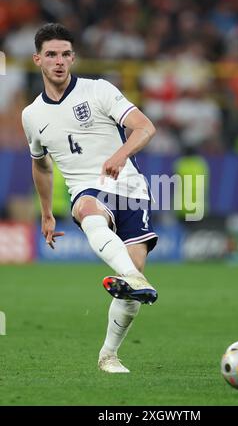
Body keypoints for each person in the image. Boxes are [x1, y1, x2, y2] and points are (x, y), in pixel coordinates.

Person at [22, 23, 158, 373]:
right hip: (86, 188)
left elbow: (145, 127)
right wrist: (46, 213)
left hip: (130, 190)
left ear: (73, 58)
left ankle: (108, 354)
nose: (59, 61)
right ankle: (133, 278)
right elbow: (42, 167)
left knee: (130, 294)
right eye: (51, 54)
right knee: (87, 208)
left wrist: (120, 154)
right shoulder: (32, 115)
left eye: (65, 54)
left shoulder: (98, 91)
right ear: (38, 59)